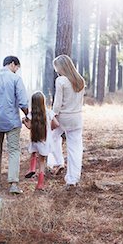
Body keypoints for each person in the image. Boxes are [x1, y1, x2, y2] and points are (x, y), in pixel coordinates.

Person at [0, 56, 29, 194]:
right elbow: (23, 102)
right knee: (14, 151)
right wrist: (27, 115)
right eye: (17, 68)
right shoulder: (16, 79)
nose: (16, 71)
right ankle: (13, 184)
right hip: (12, 121)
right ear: (13, 64)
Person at [48, 54, 85, 189]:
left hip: (63, 117)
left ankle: (56, 162)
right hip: (77, 117)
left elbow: (57, 104)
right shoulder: (80, 80)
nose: (56, 70)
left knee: (51, 137)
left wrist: (52, 115)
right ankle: (72, 179)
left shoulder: (61, 80)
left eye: (56, 67)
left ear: (61, 67)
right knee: (75, 148)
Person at [22, 91, 59, 191]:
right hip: (45, 140)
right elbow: (56, 124)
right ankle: (40, 184)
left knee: (33, 153)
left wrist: (24, 122)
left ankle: (32, 168)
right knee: (42, 162)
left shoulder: (31, 114)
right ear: (43, 101)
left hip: (35, 139)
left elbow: (29, 126)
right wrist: (49, 128)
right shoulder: (49, 112)